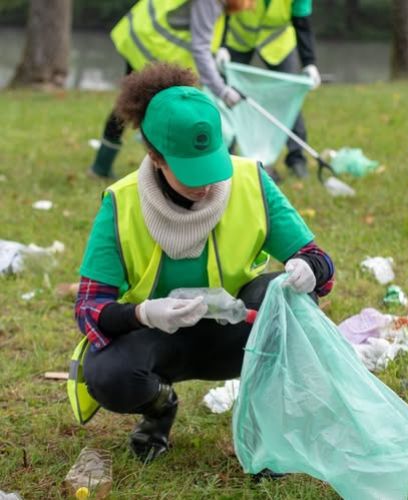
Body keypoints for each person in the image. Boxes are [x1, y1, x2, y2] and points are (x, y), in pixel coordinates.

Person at [73, 63, 335, 464]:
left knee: (285, 300)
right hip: (160, 342)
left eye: (213, 164)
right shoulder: (121, 203)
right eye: (191, 173)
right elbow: (89, 309)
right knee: (106, 374)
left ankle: (265, 431)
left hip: (239, 334)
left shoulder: (250, 180)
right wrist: (143, 313)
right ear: (156, 158)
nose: (207, 184)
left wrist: (308, 270)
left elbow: (320, 262)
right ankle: (159, 408)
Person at [88, 0, 254, 180]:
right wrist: (222, 90)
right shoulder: (209, 2)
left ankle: (103, 166)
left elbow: (199, 34)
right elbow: (200, 49)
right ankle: (154, 173)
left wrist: (218, 52)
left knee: (132, 105)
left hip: (145, 36)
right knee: (143, 109)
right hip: (151, 48)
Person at [218, 0, 321, 180]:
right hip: (238, 39)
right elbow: (221, 10)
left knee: (290, 96)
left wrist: (309, 62)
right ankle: (224, 155)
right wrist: (221, 46)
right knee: (226, 95)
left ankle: (296, 159)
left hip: (278, 43)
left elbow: (302, 21)